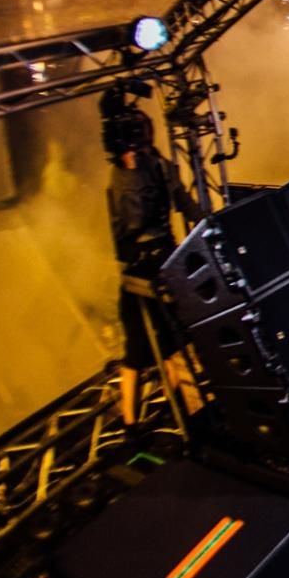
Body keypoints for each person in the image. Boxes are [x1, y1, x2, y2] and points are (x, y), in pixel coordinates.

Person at [102, 89, 198, 427]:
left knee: (169, 344)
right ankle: (137, 422)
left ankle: (175, 410)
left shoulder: (144, 170)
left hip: (155, 264)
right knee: (144, 350)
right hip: (149, 266)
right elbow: (137, 220)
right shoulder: (134, 173)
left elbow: (178, 204)